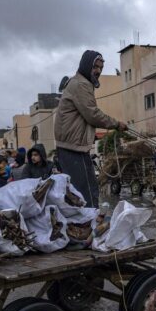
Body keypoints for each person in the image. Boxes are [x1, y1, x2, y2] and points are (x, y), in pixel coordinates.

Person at [54, 50, 127, 207]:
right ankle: (89, 226)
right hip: (73, 150)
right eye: (95, 67)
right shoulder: (81, 84)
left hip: (73, 148)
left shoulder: (79, 83)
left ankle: (84, 224)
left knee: (81, 191)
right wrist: (116, 124)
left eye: (101, 68)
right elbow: (93, 115)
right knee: (87, 192)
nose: (98, 71)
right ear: (86, 65)